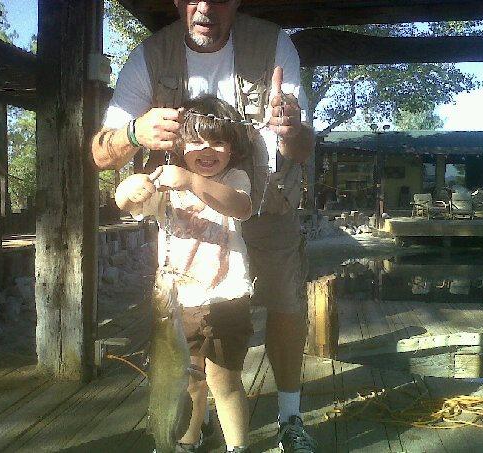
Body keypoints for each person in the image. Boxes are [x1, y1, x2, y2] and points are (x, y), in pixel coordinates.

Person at [92, 2, 316, 451]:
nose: (206, 7)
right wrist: (134, 133)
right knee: (188, 352)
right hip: (190, 222)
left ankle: (289, 419)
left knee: (285, 305)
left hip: (268, 202)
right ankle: (191, 429)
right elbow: (101, 153)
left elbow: (303, 147)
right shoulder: (148, 56)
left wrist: (291, 129)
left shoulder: (274, 44)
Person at [115, 96, 254, 452]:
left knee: (225, 382)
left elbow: (241, 206)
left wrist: (191, 181)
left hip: (226, 299)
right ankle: (187, 441)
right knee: (190, 382)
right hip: (180, 304)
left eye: (218, 141)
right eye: (196, 141)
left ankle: (238, 447)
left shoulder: (234, 178)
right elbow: (128, 204)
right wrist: (129, 189)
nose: (207, 150)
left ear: (232, 147)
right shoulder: (165, 183)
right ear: (179, 146)